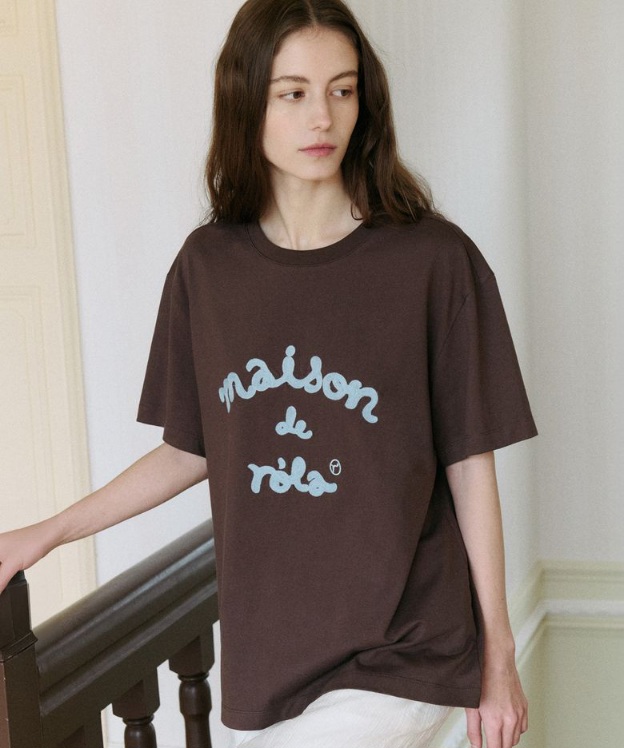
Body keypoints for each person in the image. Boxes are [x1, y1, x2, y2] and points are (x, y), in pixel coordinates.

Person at [0, 1, 537, 747]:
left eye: (342, 90)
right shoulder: (208, 268)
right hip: (269, 660)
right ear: (247, 100)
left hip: (406, 647)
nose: (323, 117)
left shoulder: (432, 261)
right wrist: (49, 532)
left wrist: (499, 655)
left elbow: (469, 462)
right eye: (293, 93)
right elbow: (189, 449)